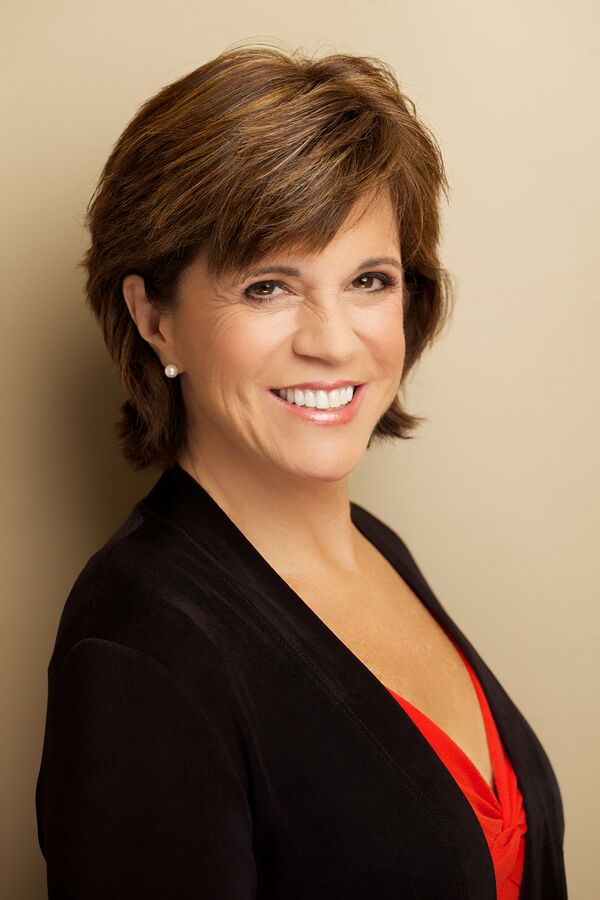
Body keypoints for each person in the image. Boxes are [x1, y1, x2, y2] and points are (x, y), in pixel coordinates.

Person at [34, 43, 567, 899]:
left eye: (368, 280)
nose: (332, 340)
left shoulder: (374, 549)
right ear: (154, 318)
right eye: (267, 287)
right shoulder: (141, 651)